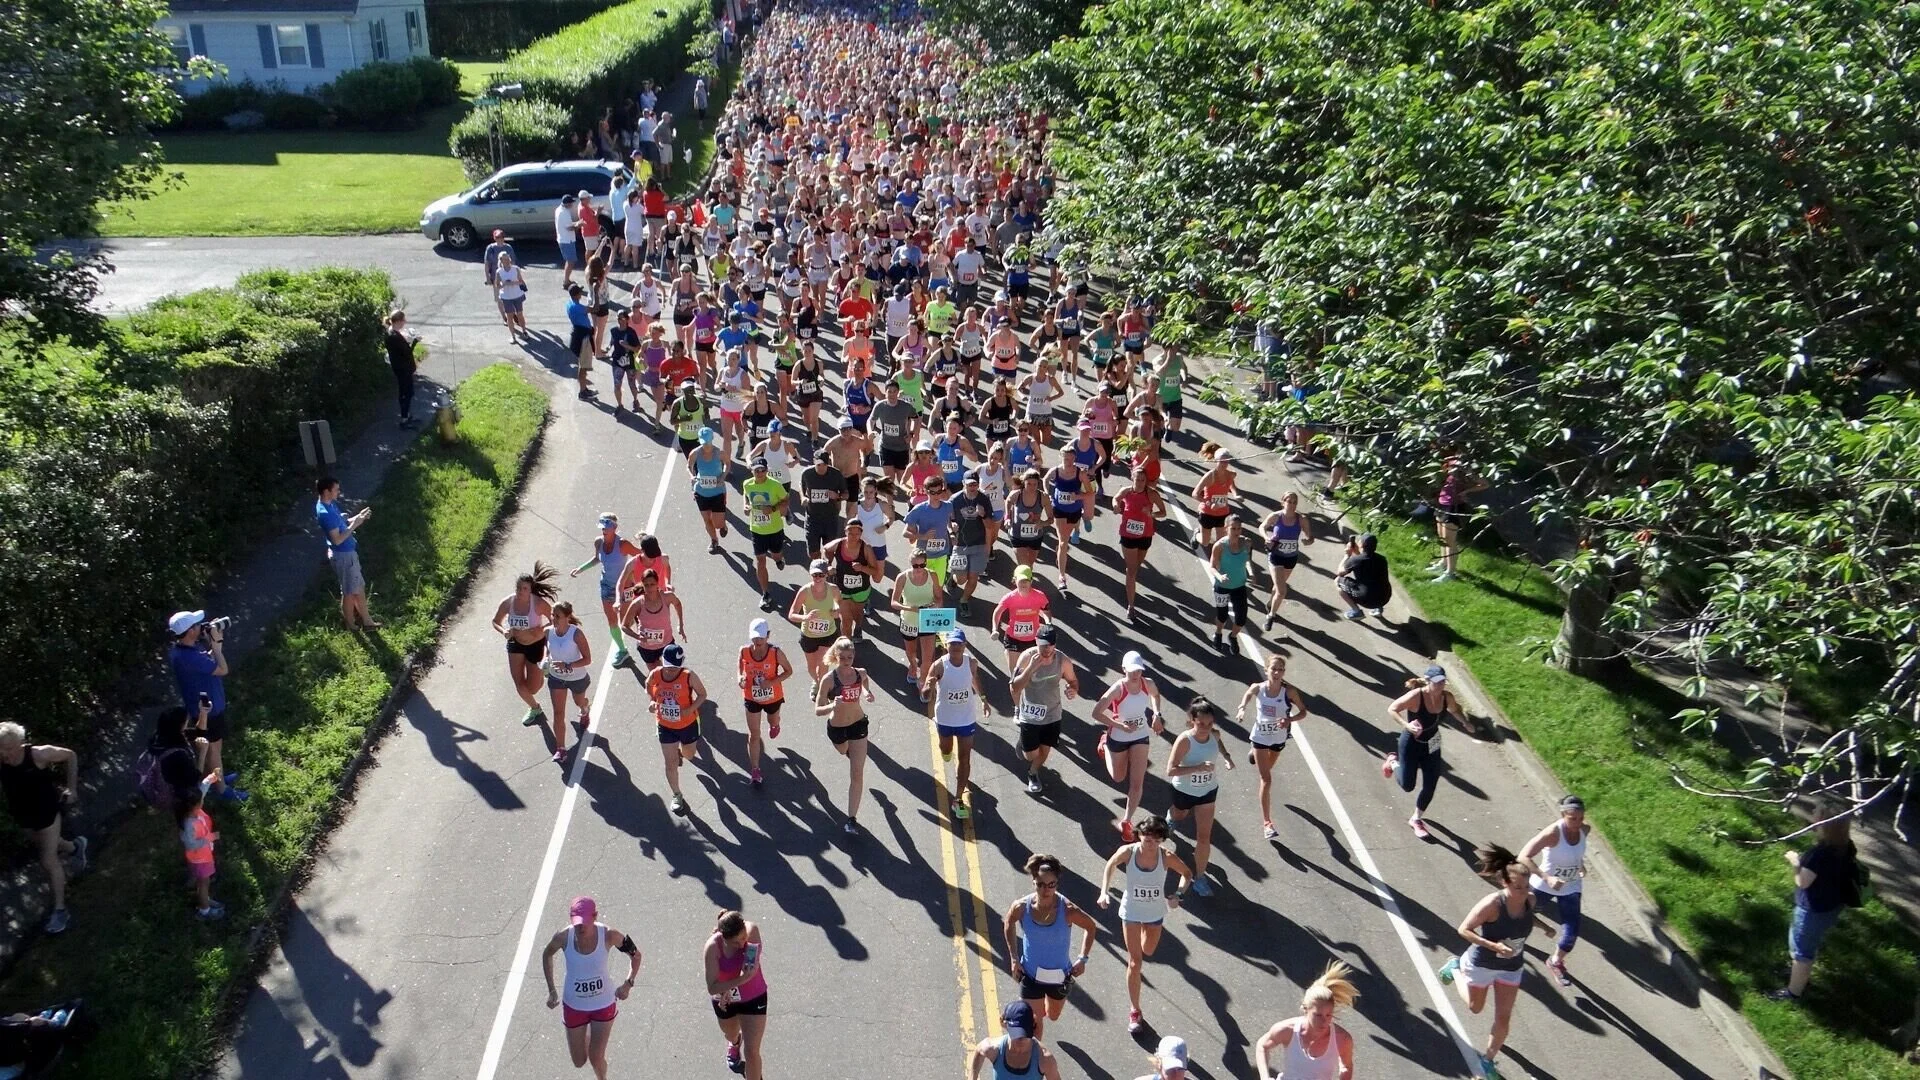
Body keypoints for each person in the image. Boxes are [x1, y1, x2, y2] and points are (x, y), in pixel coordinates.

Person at [1437, 845, 1543, 1080]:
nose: (1523, 892)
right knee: (1475, 1008)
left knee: (1503, 1017)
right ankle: (1455, 969)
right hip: (1482, 963)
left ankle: (1487, 1061)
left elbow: (1529, 917)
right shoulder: (1492, 905)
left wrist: (1545, 927)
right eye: (1518, 887)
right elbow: (1464, 929)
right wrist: (1494, 946)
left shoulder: (1530, 900)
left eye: (1526, 886)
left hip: (1511, 967)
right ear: (1505, 883)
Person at [1097, 815, 1193, 1035]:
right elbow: (1110, 864)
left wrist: (1178, 895)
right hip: (1131, 912)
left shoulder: (1166, 857)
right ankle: (1135, 1011)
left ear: (1161, 840)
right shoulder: (1128, 852)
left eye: (1155, 840)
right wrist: (1104, 892)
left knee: (1148, 950)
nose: (1150, 843)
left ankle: (1143, 932)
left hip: (1154, 913)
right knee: (1135, 962)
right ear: (1139, 835)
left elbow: (1187, 874)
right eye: (1147, 838)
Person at [541, 896, 642, 1080]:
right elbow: (547, 954)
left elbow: (636, 956)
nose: (580, 928)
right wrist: (551, 990)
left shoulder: (609, 935)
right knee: (579, 1061)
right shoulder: (563, 937)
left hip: (603, 1005)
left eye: (585, 923)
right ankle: (588, 1031)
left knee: (596, 1057)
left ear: (595, 916)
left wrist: (628, 984)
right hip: (574, 1006)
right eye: (577, 923)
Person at [1001, 854, 1097, 1041]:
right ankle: (1036, 1055)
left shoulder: (1068, 910)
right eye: (1040, 884)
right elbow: (1008, 923)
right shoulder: (1021, 907)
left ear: (1057, 883)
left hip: (1059, 977)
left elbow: (1091, 927)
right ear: (1033, 882)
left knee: (1053, 1015)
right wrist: (1014, 958)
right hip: (1030, 975)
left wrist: (1083, 959)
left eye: (1051, 884)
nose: (1046, 890)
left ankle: (1045, 1008)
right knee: (1034, 1020)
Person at [1772, 814, 1865, 1003]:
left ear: (1824, 825)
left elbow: (1802, 882)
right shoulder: (1846, 846)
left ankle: (1794, 992)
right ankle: (1798, 974)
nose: (1812, 813)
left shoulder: (1819, 855)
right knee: (1806, 943)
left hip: (1812, 910)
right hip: (1831, 906)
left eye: (1816, 812)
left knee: (1802, 951)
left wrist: (1795, 863)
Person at [0, 724, 84, 934]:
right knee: (50, 845)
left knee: (48, 860)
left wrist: (72, 788)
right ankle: (76, 847)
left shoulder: (39, 754)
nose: (4, 754)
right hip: (23, 818)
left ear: (20, 744)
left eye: (8, 748)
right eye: (0, 749)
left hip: (47, 814)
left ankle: (60, 910)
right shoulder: (2, 761)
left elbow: (70, 755)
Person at [167, 610, 244, 800]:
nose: (201, 626)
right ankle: (222, 790)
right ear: (190, 631)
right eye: (197, 624)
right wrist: (216, 645)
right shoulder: (190, 657)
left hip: (201, 709)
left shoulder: (182, 651)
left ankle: (214, 779)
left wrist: (214, 645)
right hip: (209, 711)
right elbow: (222, 669)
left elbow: (205, 663)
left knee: (211, 748)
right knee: (213, 751)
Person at [1382, 665, 1465, 838]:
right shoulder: (1416, 696)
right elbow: (1392, 708)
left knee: (1431, 784)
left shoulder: (1446, 697)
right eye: (1437, 682)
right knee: (1407, 785)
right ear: (1428, 681)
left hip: (1433, 743)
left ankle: (1416, 819)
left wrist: (1465, 722)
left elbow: (1454, 709)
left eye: (1443, 682)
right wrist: (1406, 725)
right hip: (1411, 743)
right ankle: (1393, 762)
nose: (1440, 685)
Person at [1522, 794, 1593, 987]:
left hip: (1571, 886)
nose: (1577, 823)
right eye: (1572, 818)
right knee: (1521, 916)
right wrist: (1547, 877)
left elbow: (1576, 852)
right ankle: (1505, 939)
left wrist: (1579, 865)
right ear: (1563, 815)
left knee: (1571, 932)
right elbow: (1524, 856)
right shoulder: (1552, 833)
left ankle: (1555, 961)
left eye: (1581, 818)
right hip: (1544, 886)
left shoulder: (1584, 829)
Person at [1165, 698, 1234, 896]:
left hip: (1208, 792)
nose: (1206, 727)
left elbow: (1218, 743)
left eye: (1210, 723)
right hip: (1184, 791)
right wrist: (1198, 768)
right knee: (1180, 815)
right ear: (1192, 720)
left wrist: (1227, 757)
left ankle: (1200, 877)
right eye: (1201, 723)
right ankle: (1171, 818)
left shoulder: (1214, 734)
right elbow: (1170, 770)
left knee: (1204, 837)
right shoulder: (1185, 740)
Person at [1093, 652, 1164, 840]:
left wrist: (1156, 715)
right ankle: (1104, 744)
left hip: (1140, 735)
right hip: (1118, 736)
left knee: (1137, 782)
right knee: (1118, 777)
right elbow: (1096, 712)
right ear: (1124, 669)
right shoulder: (1118, 688)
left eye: (1138, 670)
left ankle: (1127, 821)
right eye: (1132, 671)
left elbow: (1156, 696)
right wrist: (1119, 726)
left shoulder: (1148, 684)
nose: (1135, 674)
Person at [1239, 654, 1308, 840]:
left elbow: (1303, 712)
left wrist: (1289, 720)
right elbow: (1248, 694)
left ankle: (1254, 755)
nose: (1277, 673)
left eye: (1280, 670)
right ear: (1266, 670)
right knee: (1266, 779)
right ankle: (1267, 823)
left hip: (1278, 738)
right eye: (1273, 669)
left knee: (1267, 771)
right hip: (1260, 737)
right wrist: (1242, 708)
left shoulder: (1289, 692)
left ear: (1284, 672)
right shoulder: (1258, 688)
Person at [924, 630, 990, 820]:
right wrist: (928, 687)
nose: (955, 647)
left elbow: (975, 679)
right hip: (945, 718)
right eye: (952, 644)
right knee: (945, 749)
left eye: (958, 644)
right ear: (947, 646)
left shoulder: (971, 663)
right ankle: (945, 751)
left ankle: (958, 798)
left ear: (964, 645)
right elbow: (925, 694)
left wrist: (984, 699)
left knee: (965, 757)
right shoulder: (939, 665)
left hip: (965, 719)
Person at [812, 637, 876, 834]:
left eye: (850, 657)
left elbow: (865, 682)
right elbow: (818, 710)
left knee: (857, 773)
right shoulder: (829, 680)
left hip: (858, 725)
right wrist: (832, 705)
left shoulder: (860, 673)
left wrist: (866, 692)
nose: (847, 661)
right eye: (843, 658)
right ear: (836, 657)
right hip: (838, 729)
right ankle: (849, 752)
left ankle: (851, 819)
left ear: (854, 656)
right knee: (843, 751)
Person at [1254, 961, 1359, 1080]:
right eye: (1318, 1015)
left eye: (1328, 1015)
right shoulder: (1287, 1030)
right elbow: (1262, 1046)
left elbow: (1346, 1066)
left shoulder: (1342, 1039)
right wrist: (1265, 1077)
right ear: (1305, 1009)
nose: (1324, 1021)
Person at [1009, 626, 1078, 795]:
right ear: (1036, 642)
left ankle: (1033, 773)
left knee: (1045, 750)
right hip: (1030, 714)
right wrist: (1030, 668)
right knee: (1030, 755)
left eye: (1051, 645)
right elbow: (1014, 687)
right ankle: (1023, 743)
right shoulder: (1027, 657)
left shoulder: (1063, 661)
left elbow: (1073, 681)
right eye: (1043, 645)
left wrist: (1073, 689)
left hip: (1052, 714)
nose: (1047, 649)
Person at [571, 513, 643, 668]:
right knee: (612, 621)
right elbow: (597, 558)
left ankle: (640, 630)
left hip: (625, 588)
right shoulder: (598, 542)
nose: (604, 530)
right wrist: (581, 568)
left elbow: (641, 556)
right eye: (602, 528)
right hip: (606, 587)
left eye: (607, 528)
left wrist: (634, 575)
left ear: (614, 528)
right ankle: (622, 650)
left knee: (625, 621)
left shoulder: (623, 544)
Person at [704, 909, 769, 1078]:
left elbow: (748, 969)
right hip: (724, 1000)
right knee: (730, 1033)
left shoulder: (751, 930)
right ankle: (734, 1042)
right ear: (722, 937)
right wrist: (730, 987)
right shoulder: (712, 947)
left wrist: (729, 986)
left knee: (752, 1052)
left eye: (742, 938)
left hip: (753, 996)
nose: (741, 944)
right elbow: (712, 987)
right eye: (735, 942)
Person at [647, 644, 709, 816]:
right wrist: (652, 700)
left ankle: (681, 753)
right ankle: (677, 795)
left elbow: (703, 694)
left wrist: (691, 709)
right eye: (669, 667)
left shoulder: (689, 676)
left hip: (688, 725)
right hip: (665, 725)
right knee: (670, 764)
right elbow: (648, 685)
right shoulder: (656, 673)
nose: (671, 670)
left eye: (675, 667)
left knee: (689, 755)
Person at [494, 563, 559, 726]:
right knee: (519, 683)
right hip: (515, 643)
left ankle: (544, 668)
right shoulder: (508, 602)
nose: (520, 591)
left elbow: (554, 620)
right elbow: (495, 621)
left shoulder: (538, 603)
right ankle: (535, 708)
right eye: (518, 588)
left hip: (535, 645)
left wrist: (541, 630)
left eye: (524, 588)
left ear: (530, 590)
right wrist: (504, 631)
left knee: (533, 688)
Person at [314, 476, 379, 630]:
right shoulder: (325, 513)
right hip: (344, 556)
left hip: (348, 554)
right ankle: (351, 623)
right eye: (336, 489)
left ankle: (366, 620)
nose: (339, 492)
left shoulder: (329, 504)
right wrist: (355, 525)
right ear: (326, 491)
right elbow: (337, 540)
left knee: (358, 588)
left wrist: (358, 517)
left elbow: (342, 524)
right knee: (349, 593)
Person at [737, 619, 792, 788]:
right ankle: (755, 770)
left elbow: (789, 671)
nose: (758, 641)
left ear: (768, 636)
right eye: (755, 637)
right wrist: (740, 678)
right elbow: (740, 667)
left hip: (772, 697)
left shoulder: (775, 653)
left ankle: (775, 724)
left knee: (772, 720)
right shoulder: (744, 651)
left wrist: (772, 682)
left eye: (761, 637)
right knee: (754, 734)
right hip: (751, 697)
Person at [543, 602, 594, 765]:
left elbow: (588, 659)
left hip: (577, 678)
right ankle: (561, 749)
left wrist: (568, 665)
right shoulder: (548, 632)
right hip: (556, 678)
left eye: (557, 616)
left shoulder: (576, 634)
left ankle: (585, 709)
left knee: (579, 701)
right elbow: (548, 649)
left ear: (567, 617)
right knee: (558, 713)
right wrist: (545, 660)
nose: (553, 618)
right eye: (552, 615)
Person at [1113, 466, 1165, 621]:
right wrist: (1115, 506)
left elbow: (1163, 512)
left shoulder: (1152, 494)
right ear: (1132, 478)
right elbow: (1115, 498)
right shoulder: (1126, 491)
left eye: (1143, 480)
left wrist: (1152, 514)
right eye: (1138, 479)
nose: (1140, 483)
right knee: (1131, 570)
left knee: (1136, 568)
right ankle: (1131, 605)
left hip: (1145, 536)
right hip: (1128, 535)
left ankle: (1130, 585)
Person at [1258, 492, 1314, 630]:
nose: (1292, 505)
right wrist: (1266, 538)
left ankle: (1271, 604)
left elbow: (1310, 537)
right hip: (1276, 556)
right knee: (1282, 591)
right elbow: (1262, 527)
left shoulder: (1301, 519)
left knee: (1278, 586)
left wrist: (1308, 541)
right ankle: (1271, 616)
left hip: (1291, 557)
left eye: (1295, 502)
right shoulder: (1276, 516)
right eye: (1289, 502)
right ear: (1283, 502)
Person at [742, 456, 790, 611]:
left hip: (775, 529)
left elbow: (786, 500)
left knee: (776, 555)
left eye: (763, 470)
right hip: (757, 529)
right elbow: (746, 495)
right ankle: (765, 593)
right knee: (760, 561)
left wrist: (773, 508)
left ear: (767, 470)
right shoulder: (747, 484)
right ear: (752, 471)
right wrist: (746, 506)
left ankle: (779, 559)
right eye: (757, 470)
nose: (760, 473)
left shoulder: (775, 485)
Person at [968, 1001, 1063, 1080]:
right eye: (1016, 1033)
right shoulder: (993, 1049)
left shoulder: (1045, 1059)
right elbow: (979, 1050)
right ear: (1003, 1024)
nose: (1021, 1039)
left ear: (1033, 1025)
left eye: (1025, 1032)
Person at [890, 550, 941, 686]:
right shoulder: (902, 577)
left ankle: (923, 682)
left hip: (927, 620)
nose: (919, 569)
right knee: (911, 652)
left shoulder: (932, 575)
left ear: (926, 563)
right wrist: (909, 608)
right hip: (909, 620)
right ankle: (913, 667)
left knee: (927, 659)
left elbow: (939, 598)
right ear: (910, 564)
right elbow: (894, 602)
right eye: (915, 566)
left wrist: (935, 606)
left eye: (922, 565)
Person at [788, 560, 843, 683]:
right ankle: (817, 683)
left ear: (826, 575)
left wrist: (837, 611)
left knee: (823, 666)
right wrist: (805, 618)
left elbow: (840, 603)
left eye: (821, 575)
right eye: (814, 575)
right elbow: (791, 615)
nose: (817, 578)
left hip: (828, 634)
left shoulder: (833, 589)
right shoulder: (804, 591)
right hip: (809, 635)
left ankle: (822, 688)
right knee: (812, 667)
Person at [619, 569, 685, 669]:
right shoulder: (637, 604)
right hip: (647, 648)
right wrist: (638, 637)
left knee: (671, 671)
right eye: (646, 585)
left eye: (652, 584)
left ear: (657, 583)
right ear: (643, 585)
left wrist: (681, 624)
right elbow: (624, 626)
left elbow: (678, 604)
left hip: (667, 643)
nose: (650, 588)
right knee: (656, 674)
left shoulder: (667, 597)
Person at [1207, 516, 1255, 652]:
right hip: (1222, 586)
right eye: (1233, 528)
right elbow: (1212, 567)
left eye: (1239, 528)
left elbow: (1247, 560)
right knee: (1222, 616)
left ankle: (1233, 637)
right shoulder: (1220, 546)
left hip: (1239, 586)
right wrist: (1219, 576)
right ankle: (1218, 633)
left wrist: (1251, 573)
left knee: (1241, 618)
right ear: (1226, 528)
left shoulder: (1247, 543)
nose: (1236, 531)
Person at [948, 471, 995, 609]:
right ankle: (953, 578)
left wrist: (983, 515)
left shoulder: (984, 499)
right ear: (963, 483)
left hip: (978, 544)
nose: (972, 487)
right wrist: (951, 529)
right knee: (961, 579)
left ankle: (964, 600)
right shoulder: (954, 499)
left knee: (973, 577)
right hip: (960, 544)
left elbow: (990, 525)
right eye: (969, 484)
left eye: (975, 484)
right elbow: (947, 519)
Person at [991, 565, 1051, 671]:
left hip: (1033, 639)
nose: (1023, 584)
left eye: (1026, 581)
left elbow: (1046, 611)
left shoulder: (1039, 596)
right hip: (1013, 638)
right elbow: (997, 612)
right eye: (1021, 581)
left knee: (1031, 670)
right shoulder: (1009, 597)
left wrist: (1048, 623)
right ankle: (1009, 653)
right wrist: (995, 629)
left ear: (1031, 581)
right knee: (1015, 671)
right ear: (1014, 581)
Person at [177, 785, 223, 920]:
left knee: (203, 881)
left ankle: (204, 899)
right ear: (195, 805)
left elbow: (202, 789)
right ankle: (204, 910)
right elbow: (191, 844)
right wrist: (209, 838)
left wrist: (211, 779)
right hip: (200, 859)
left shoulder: (193, 812)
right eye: (201, 800)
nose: (203, 800)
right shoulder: (189, 824)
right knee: (203, 883)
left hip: (202, 856)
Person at [799, 451, 850, 560]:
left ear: (828, 463)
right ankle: (817, 567)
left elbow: (846, 494)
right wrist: (803, 497)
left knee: (830, 551)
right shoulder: (807, 473)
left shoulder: (836, 474)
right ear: (814, 461)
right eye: (819, 465)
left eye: (824, 465)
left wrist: (837, 496)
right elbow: (801, 485)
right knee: (813, 553)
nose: (821, 468)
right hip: (813, 518)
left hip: (830, 518)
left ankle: (828, 566)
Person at [688, 427, 731, 554]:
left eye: (707, 442)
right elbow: (689, 466)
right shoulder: (695, 453)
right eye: (703, 442)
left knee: (717, 524)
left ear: (712, 439)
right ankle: (714, 540)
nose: (705, 445)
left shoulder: (720, 453)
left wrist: (723, 476)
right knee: (706, 519)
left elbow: (727, 464)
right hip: (701, 491)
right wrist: (692, 476)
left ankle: (722, 525)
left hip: (717, 492)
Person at [1335, 533, 1392, 620]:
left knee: (1338, 581)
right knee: (1377, 583)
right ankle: (1378, 610)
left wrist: (1347, 556)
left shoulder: (1355, 560)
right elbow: (1365, 560)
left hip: (1367, 600)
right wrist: (1357, 552)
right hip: (1385, 598)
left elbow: (1340, 573)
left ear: (1362, 544)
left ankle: (1356, 612)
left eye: (1359, 540)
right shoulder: (1382, 559)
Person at [382, 309, 420, 428]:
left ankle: (406, 415)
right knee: (406, 393)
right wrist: (415, 341)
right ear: (398, 321)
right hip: (403, 369)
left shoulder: (391, 333)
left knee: (406, 391)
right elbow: (407, 352)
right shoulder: (394, 336)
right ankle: (404, 419)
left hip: (400, 367)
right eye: (403, 320)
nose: (405, 322)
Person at [566, 284, 597, 400]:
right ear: (576, 295)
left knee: (582, 364)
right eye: (579, 292)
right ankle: (582, 392)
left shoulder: (569, 304)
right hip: (583, 338)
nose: (581, 294)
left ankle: (584, 388)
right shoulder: (577, 307)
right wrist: (595, 292)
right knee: (583, 366)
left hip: (578, 336)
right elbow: (595, 308)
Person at [495, 250, 529, 342]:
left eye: (507, 259)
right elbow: (497, 285)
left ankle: (524, 331)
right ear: (501, 261)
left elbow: (521, 281)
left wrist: (513, 283)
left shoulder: (515, 269)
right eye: (504, 259)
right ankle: (513, 336)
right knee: (509, 316)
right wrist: (504, 284)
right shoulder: (499, 272)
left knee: (520, 314)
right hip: (506, 297)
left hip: (517, 295)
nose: (507, 261)